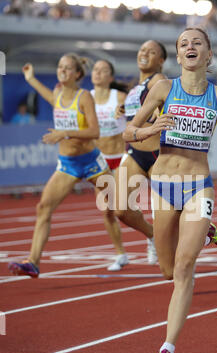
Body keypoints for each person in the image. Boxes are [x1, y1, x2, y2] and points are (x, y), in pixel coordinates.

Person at [123, 27, 217, 353]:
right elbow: (128, 132)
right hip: (165, 186)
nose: (190, 46)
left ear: (208, 54)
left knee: (184, 268)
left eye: (197, 42)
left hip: (200, 185)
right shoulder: (164, 88)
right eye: (184, 43)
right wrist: (150, 130)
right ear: (179, 56)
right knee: (167, 270)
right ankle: (205, 228)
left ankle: (166, 350)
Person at [8, 53, 127, 278]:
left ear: (77, 74)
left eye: (66, 68)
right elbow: (50, 98)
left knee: (120, 210)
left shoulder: (84, 97)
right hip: (68, 164)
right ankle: (33, 261)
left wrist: (65, 132)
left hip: (92, 161)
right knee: (43, 207)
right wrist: (30, 79)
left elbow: (95, 132)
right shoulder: (57, 93)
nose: (61, 71)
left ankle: (151, 236)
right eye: (59, 67)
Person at [115, 39, 217, 266]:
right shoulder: (139, 84)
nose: (144, 53)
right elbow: (139, 117)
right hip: (135, 151)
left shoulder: (159, 81)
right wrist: (126, 112)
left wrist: (154, 121)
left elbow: (164, 109)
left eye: (151, 51)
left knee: (171, 214)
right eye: (142, 49)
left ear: (162, 60)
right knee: (121, 209)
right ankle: (154, 236)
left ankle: (200, 228)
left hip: (158, 153)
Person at [90, 59, 129, 271]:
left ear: (110, 77)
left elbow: (137, 117)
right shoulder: (87, 98)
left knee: (124, 209)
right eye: (95, 70)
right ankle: (121, 254)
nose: (98, 73)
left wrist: (126, 113)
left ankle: (151, 237)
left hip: (121, 158)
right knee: (107, 210)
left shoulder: (119, 97)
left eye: (103, 70)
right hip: (99, 160)